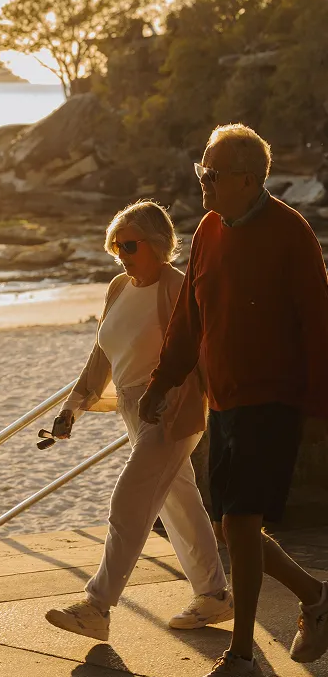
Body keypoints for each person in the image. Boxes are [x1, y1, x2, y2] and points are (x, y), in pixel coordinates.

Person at [140, 123, 328, 677]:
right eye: (201, 172)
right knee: (233, 526)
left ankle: (244, 660)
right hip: (224, 399)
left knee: (242, 524)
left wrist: (319, 411)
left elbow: (318, 325)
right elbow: (189, 319)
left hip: (272, 399)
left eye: (212, 175)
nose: (203, 184)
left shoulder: (290, 232)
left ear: (248, 179)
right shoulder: (208, 229)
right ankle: (317, 598)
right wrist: (165, 379)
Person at [45, 200, 231, 643]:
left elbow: (199, 355)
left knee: (129, 502)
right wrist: (71, 408)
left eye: (129, 245)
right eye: (115, 246)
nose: (121, 255)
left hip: (171, 411)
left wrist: (219, 413)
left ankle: (97, 606)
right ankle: (214, 596)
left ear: (158, 243)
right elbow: (102, 355)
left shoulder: (176, 288)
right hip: (133, 412)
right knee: (179, 502)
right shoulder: (118, 288)